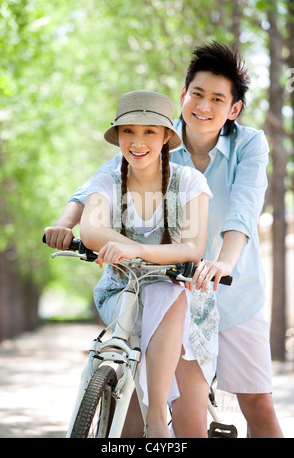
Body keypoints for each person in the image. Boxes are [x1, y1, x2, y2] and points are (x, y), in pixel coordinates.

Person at [45, 42, 283, 438]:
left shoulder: (249, 144)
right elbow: (101, 179)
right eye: (197, 94)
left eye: (217, 99)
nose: (203, 106)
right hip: (165, 282)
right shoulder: (158, 137)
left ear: (234, 109)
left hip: (230, 285)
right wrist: (66, 221)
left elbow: (244, 209)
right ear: (183, 95)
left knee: (256, 401)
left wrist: (222, 262)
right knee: (151, 405)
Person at [77, 89, 217, 438]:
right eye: (128, 131)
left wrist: (132, 250)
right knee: (123, 435)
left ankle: (158, 416)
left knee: (191, 430)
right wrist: (126, 247)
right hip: (123, 296)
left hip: (183, 305)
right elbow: (92, 229)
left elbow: (192, 249)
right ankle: (151, 420)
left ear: (167, 136)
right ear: (118, 137)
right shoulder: (108, 181)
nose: (137, 142)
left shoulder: (189, 183)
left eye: (149, 131)